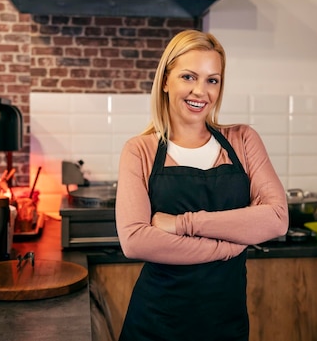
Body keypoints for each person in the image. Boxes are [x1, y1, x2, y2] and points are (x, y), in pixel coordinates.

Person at [115, 29, 289, 341]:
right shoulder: (139, 150)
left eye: (212, 80)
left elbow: (277, 219)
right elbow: (136, 241)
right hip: (156, 324)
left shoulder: (243, 140)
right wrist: (230, 247)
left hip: (225, 323)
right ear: (166, 81)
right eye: (188, 77)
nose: (201, 91)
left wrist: (183, 224)